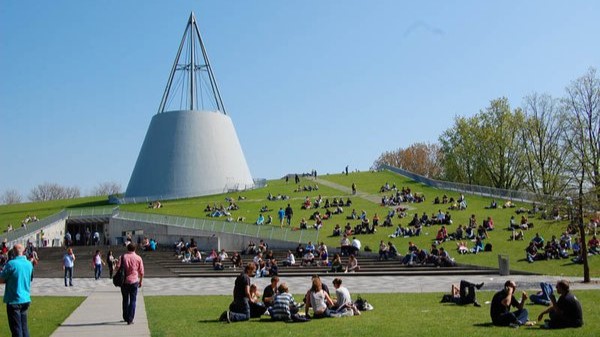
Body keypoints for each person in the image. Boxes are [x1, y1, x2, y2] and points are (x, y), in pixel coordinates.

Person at [0, 244, 33, 337]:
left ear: (13, 252)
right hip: (25, 298)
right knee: (24, 327)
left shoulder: (11, 264)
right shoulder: (29, 264)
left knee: (16, 329)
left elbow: (1, 279)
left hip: (14, 299)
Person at [120, 243, 144, 325]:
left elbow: (118, 268)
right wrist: (141, 281)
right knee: (133, 300)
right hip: (134, 281)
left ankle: (125, 316)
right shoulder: (138, 258)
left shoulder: (123, 257)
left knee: (125, 299)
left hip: (124, 282)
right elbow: (141, 272)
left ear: (127, 248)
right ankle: (130, 319)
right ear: (135, 249)